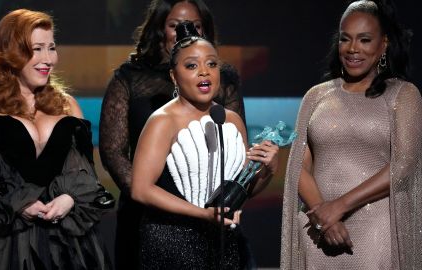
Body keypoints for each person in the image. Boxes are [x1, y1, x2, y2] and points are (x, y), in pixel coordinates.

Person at [0, 9, 114, 270]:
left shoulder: (67, 105)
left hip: (64, 242)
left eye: (51, 47)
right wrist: (14, 200)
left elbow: (86, 173)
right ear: (10, 52)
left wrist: (69, 198)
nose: (48, 59)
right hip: (3, 242)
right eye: (36, 49)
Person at [98, 1, 245, 269]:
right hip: (158, 223)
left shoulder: (226, 105)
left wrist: (264, 170)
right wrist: (154, 198)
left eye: (211, 64)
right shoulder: (134, 82)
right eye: (174, 25)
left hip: (218, 229)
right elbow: (113, 152)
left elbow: (237, 165)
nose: (185, 31)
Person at [280, 0, 422, 269]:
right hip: (317, 228)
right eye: (346, 39)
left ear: (384, 44)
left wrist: (339, 207)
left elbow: (404, 164)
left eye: (365, 40)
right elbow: (298, 163)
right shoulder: (316, 96)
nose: (353, 49)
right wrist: (324, 213)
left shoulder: (404, 95)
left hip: (375, 230)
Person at [130, 21, 279, 269]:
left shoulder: (230, 119)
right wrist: (204, 214)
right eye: (191, 65)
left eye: (211, 64)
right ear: (173, 75)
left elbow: (241, 191)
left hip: (223, 244)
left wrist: (268, 170)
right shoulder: (163, 121)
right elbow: (140, 189)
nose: (204, 72)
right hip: (172, 244)